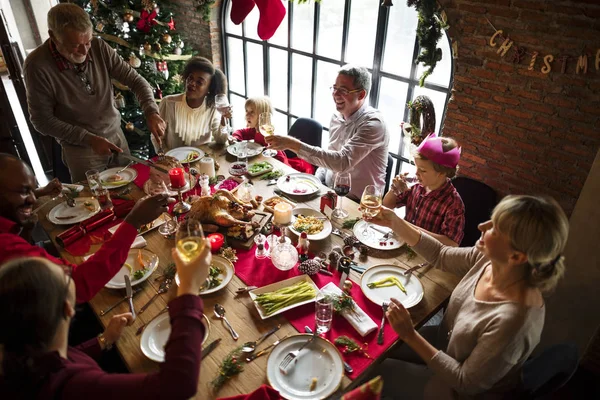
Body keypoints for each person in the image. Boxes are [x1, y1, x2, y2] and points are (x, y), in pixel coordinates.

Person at [367, 195, 569, 399]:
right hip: (444, 343)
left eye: (494, 229)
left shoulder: (515, 321)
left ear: (516, 257)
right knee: (373, 349)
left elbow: (465, 382)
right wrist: (396, 222)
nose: (482, 226)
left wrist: (410, 335)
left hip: (455, 390)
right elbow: (441, 255)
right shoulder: (488, 259)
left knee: (371, 373)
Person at [0, 241, 211, 399]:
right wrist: (189, 290)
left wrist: (103, 340)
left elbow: (70, 357)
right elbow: (179, 383)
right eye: (64, 274)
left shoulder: (25, 356)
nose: (67, 268)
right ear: (67, 308)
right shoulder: (73, 387)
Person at [0, 153, 173, 304]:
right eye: (24, 191)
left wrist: (28, 225)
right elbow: (78, 285)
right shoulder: (6, 247)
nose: (32, 199)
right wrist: (133, 221)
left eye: (33, 190)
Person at [23, 3, 166, 182]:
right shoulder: (37, 65)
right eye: (75, 45)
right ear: (53, 36)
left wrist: (151, 111)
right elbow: (41, 120)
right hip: (80, 150)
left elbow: (137, 81)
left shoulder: (99, 47)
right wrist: (88, 139)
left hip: (116, 135)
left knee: (131, 191)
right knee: (97, 202)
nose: (84, 51)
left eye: (88, 42)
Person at [265, 65, 389, 199]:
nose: (335, 94)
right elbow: (330, 157)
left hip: (359, 203)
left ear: (361, 94)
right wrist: (316, 182)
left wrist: (292, 144)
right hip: (330, 191)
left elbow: (342, 162)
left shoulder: (374, 124)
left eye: (343, 90)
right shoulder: (336, 117)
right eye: (335, 88)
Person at [382, 133, 465, 246]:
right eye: (416, 167)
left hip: (427, 255)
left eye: (422, 170)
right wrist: (394, 190)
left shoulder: (453, 203)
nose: (416, 173)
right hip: (403, 244)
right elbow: (386, 205)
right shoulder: (415, 186)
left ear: (441, 173)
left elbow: (452, 244)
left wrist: (410, 229)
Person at [152, 56, 231, 153]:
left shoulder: (212, 108)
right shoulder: (168, 103)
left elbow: (221, 140)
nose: (192, 83)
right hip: (173, 164)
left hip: (202, 162)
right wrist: (166, 156)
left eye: (199, 82)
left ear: (209, 90)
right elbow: (156, 137)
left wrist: (224, 117)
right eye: (190, 78)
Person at [232, 96, 289, 166]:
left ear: (261, 116)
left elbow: (280, 158)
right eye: (246, 111)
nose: (247, 115)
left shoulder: (266, 133)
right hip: (262, 161)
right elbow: (242, 132)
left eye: (252, 112)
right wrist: (235, 138)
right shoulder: (255, 130)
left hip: (275, 164)